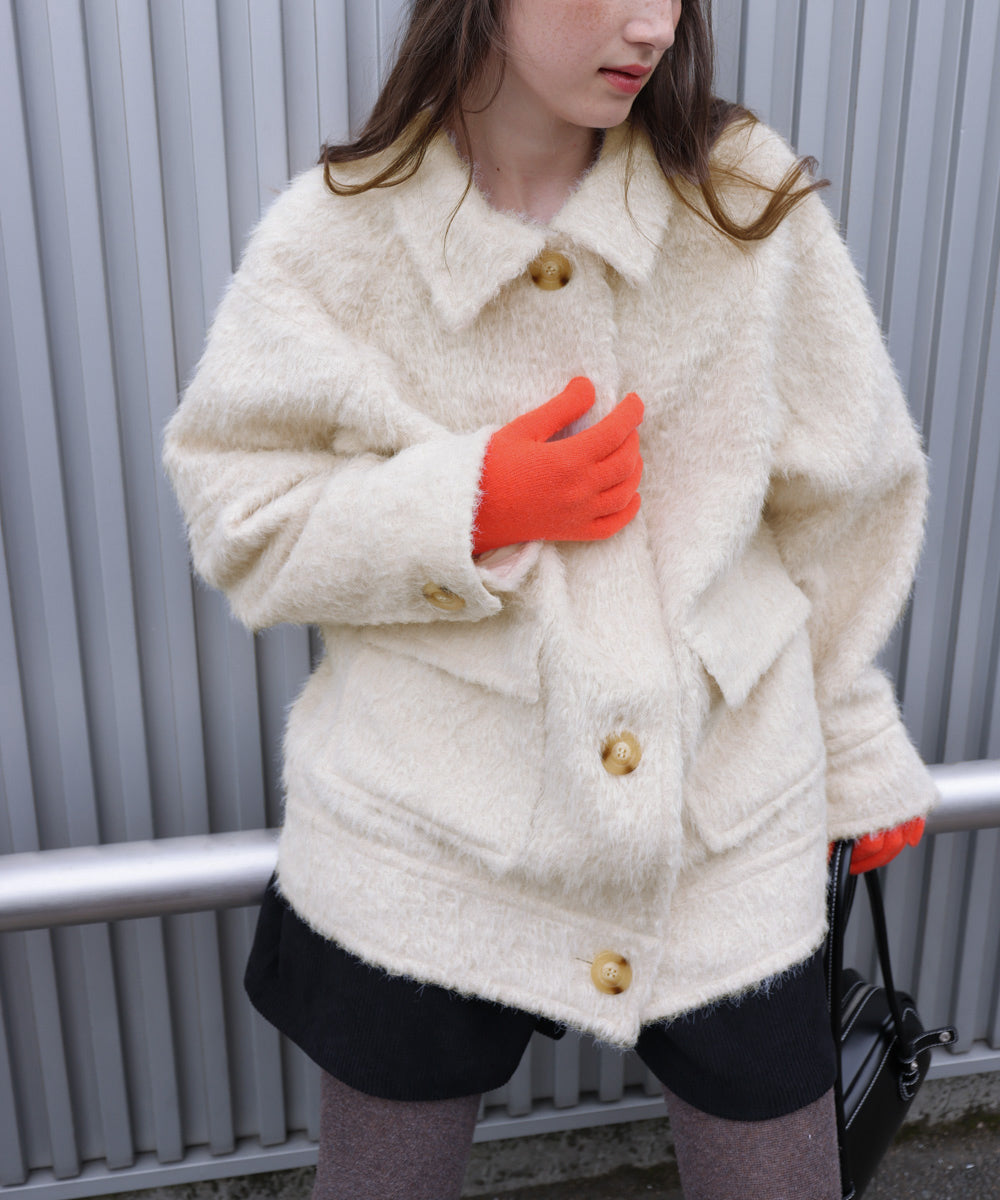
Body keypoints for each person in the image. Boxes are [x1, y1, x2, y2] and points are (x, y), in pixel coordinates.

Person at [163, 2, 934, 1197]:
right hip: (423, 831)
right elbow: (240, 513)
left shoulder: (738, 199)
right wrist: (467, 506)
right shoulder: (342, 235)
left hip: (723, 817)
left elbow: (851, 497)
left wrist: (851, 745)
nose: (651, 25)